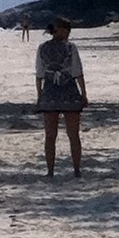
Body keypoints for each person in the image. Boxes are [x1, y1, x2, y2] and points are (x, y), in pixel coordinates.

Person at [35, 17, 88, 177]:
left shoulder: (42, 48)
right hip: (69, 92)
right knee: (73, 135)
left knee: (50, 135)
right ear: (61, 30)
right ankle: (76, 170)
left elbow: (39, 74)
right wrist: (84, 94)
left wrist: (39, 95)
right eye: (67, 30)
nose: (68, 34)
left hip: (49, 92)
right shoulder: (71, 48)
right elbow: (77, 72)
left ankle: (50, 171)